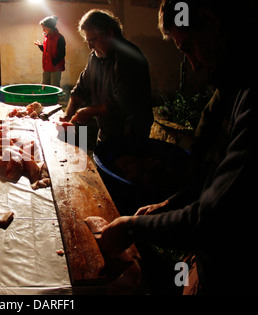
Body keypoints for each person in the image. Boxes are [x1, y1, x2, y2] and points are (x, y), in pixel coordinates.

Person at [98, 0, 258, 295]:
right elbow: (207, 172)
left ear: (210, 22)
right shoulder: (228, 89)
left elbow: (214, 218)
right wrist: (171, 204)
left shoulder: (250, 97)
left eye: (187, 47)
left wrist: (132, 227)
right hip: (206, 259)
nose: (193, 64)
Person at [61, 9, 153, 147]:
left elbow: (119, 105)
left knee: (124, 166)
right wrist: (68, 116)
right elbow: (81, 89)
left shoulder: (129, 58)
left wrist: (89, 111)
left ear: (110, 34)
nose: (90, 46)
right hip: (106, 133)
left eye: (93, 40)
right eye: (88, 41)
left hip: (131, 137)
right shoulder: (96, 57)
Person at [34, 15, 66, 87]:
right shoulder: (46, 37)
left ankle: (56, 98)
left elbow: (62, 54)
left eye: (44, 28)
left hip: (55, 67)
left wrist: (53, 63)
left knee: (54, 86)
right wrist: (40, 46)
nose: (43, 30)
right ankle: (45, 98)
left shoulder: (59, 38)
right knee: (44, 85)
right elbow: (46, 50)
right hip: (47, 67)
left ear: (50, 28)